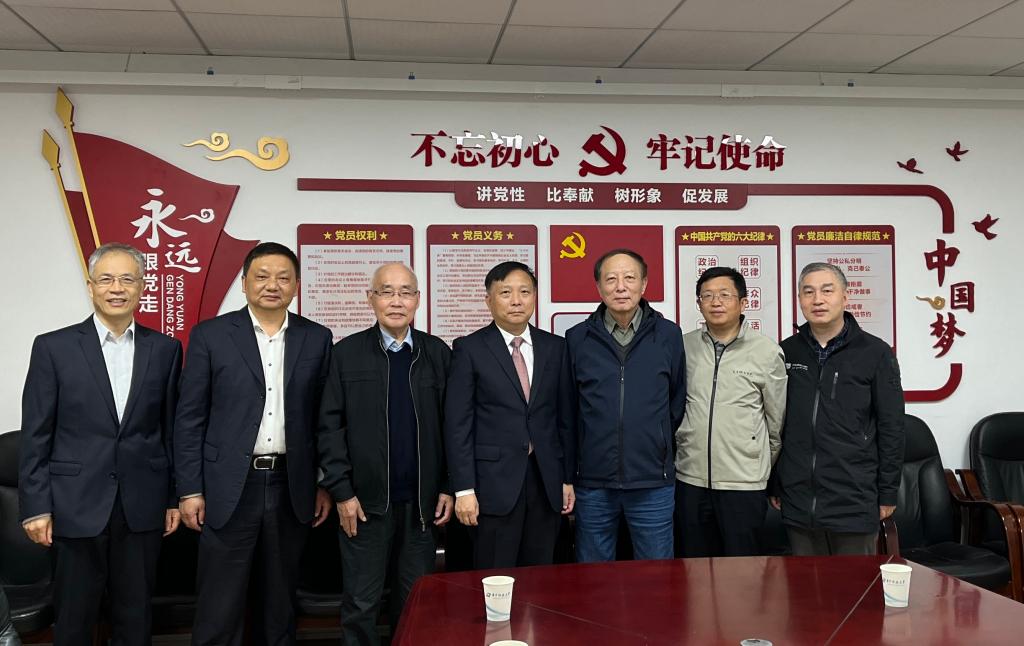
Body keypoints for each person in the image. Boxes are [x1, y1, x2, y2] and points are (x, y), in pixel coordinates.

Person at [19, 242, 182, 645]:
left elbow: (170, 432)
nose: (117, 288)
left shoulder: (165, 350)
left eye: (127, 279)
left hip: (142, 505)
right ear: (90, 286)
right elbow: (36, 433)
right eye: (106, 279)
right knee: (74, 619)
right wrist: (36, 506)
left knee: (135, 618)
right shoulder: (53, 348)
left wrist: (172, 498)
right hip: (74, 504)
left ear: (142, 286)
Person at [174, 242, 333, 645]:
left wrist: (322, 482)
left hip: (291, 485)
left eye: (283, 278)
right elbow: (189, 418)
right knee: (220, 603)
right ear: (244, 283)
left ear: (296, 285)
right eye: (261, 277)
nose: (272, 285)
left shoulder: (316, 338)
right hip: (229, 484)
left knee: (279, 601)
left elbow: (323, 419)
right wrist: (189, 489)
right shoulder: (211, 335)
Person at [318, 263, 453, 646]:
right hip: (364, 505)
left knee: (416, 604)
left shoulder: (436, 353)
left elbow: (454, 428)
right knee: (361, 604)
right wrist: (342, 492)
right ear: (371, 298)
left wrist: (448, 485)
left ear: (418, 300)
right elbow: (328, 429)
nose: (397, 301)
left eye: (406, 292)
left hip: (422, 508)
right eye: (386, 291)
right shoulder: (345, 354)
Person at [445, 261, 575, 569]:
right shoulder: (469, 349)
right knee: (496, 575)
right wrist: (464, 489)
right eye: (505, 293)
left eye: (524, 292)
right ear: (488, 300)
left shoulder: (556, 347)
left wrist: (567, 478)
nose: (516, 301)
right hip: (492, 485)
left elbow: (565, 420)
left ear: (534, 297)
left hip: (545, 482)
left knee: (542, 575)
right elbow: (457, 425)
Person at [770, 262, 905, 556]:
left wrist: (888, 492)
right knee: (804, 582)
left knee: (853, 583)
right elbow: (776, 423)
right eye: (808, 292)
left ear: (845, 297)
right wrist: (776, 483)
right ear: (800, 299)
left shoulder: (875, 352)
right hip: (798, 498)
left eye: (827, 291)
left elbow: (892, 426)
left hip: (853, 497)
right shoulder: (786, 351)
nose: (817, 300)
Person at [565, 249, 686, 562]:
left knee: (656, 574)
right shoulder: (577, 338)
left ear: (643, 284)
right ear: (598, 287)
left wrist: (655, 441)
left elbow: (676, 401)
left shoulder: (669, 335)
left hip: (652, 481)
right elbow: (570, 410)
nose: (621, 286)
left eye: (630, 278)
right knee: (593, 575)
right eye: (611, 279)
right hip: (594, 481)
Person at [674, 266, 787, 557]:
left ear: (743, 302)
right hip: (690, 479)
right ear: (698, 303)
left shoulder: (766, 351)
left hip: (744, 483)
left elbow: (776, 423)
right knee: (694, 568)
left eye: (725, 295)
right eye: (707, 296)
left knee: (743, 570)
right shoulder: (682, 347)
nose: (716, 302)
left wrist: (756, 464)